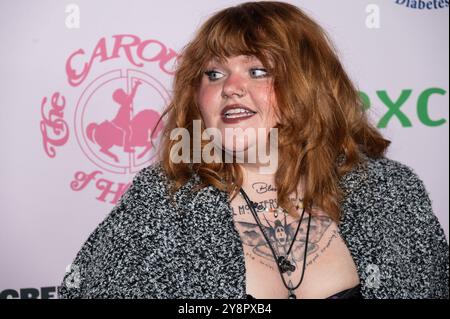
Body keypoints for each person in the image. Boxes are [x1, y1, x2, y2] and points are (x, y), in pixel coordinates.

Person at [59, 1, 449, 299]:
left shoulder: (391, 191)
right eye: (213, 73)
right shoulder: (161, 203)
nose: (229, 87)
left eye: (257, 70)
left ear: (310, 86)